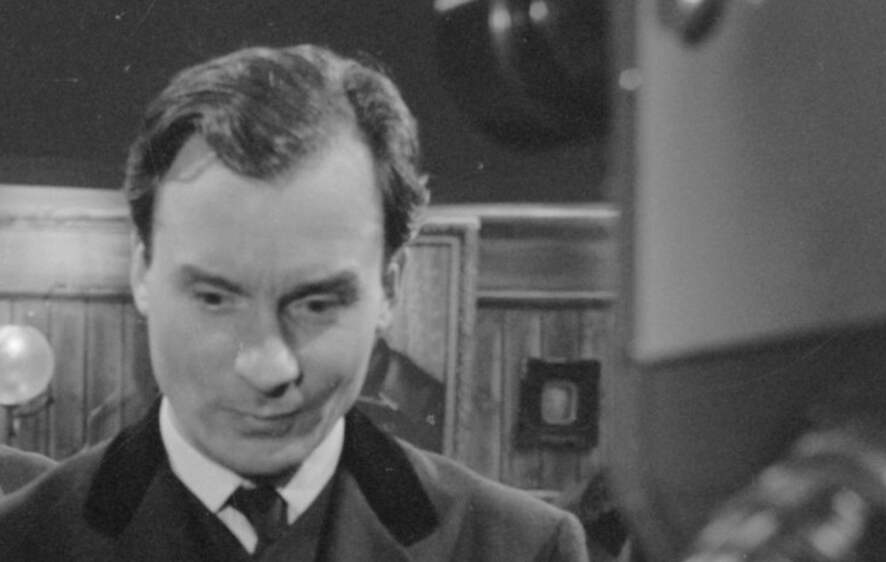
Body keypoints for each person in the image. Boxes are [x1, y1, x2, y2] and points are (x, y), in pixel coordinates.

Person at [0, 44, 587, 561]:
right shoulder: (21, 542)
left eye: (315, 305)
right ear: (141, 272)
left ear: (389, 289)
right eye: (215, 298)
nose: (268, 367)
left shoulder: (521, 549)